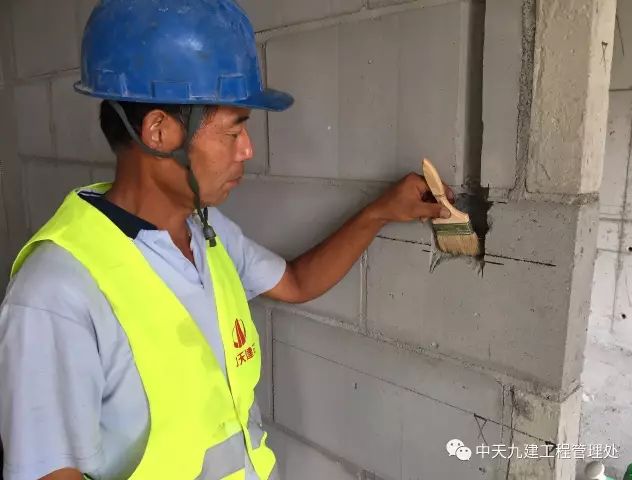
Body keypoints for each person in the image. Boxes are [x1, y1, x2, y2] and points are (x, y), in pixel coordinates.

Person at [0, 1, 453, 479]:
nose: (248, 149)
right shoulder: (56, 292)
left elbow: (296, 282)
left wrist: (380, 212)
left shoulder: (204, 230)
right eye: (234, 129)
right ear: (159, 131)